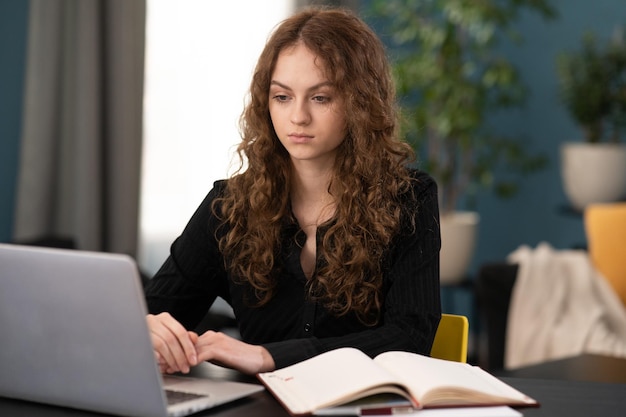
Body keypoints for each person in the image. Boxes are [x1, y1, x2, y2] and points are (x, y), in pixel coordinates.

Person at [144, 6, 441, 376]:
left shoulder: (408, 199)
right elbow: (155, 310)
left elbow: (411, 338)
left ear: (360, 103)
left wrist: (269, 357)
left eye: (321, 98)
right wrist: (149, 328)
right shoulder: (229, 206)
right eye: (282, 97)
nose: (298, 117)